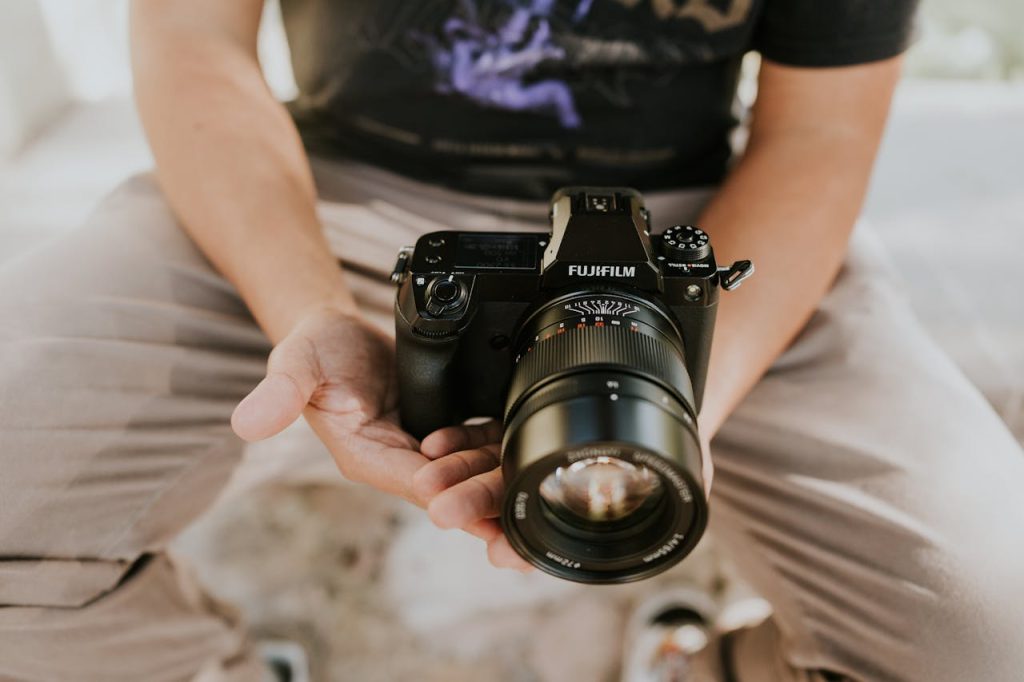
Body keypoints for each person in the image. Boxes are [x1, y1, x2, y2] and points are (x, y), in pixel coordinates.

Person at [1, 0, 1022, 680]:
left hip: (699, 235)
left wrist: (672, 400)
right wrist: (305, 308)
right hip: (315, 193)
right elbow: (192, 44)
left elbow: (821, 132)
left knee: (986, 637)